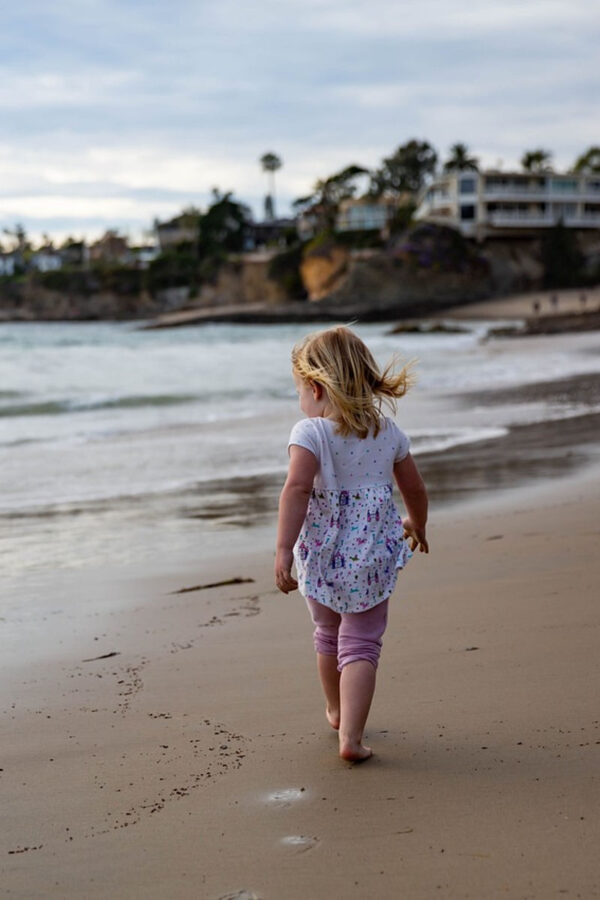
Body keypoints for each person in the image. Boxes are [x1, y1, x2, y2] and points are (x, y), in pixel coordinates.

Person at [275, 325, 429, 762]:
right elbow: (414, 488)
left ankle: (336, 711)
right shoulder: (388, 432)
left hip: (321, 555)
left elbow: (297, 490)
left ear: (318, 389)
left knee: (327, 632)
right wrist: (416, 523)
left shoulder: (309, 433)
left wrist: (284, 549)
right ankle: (352, 739)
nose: (300, 401)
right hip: (370, 555)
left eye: (300, 390)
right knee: (360, 642)